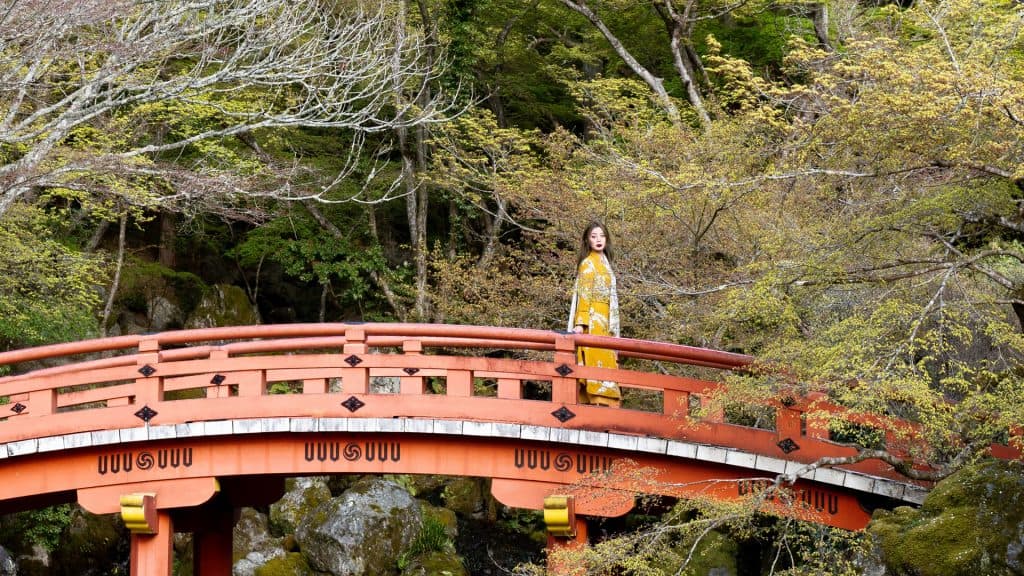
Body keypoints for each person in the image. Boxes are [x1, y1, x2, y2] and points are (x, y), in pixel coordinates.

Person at [567, 221, 622, 407]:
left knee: (607, 360)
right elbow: (584, 295)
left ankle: (607, 405)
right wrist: (580, 324)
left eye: (601, 236)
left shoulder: (605, 264)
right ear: (587, 240)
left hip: (606, 319)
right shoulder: (588, 264)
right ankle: (595, 403)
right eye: (593, 236)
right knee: (595, 360)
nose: (598, 240)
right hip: (593, 318)